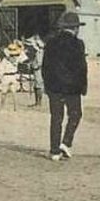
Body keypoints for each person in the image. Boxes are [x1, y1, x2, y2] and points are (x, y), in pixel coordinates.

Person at [42, 12, 88, 161]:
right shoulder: (78, 44)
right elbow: (82, 68)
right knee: (75, 114)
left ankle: (54, 151)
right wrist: (83, 86)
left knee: (56, 118)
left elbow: (45, 67)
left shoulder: (50, 43)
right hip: (72, 88)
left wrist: (47, 85)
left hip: (54, 87)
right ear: (75, 28)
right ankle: (66, 142)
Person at [0, 42, 24, 110]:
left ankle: (2, 107)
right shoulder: (17, 59)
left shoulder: (5, 60)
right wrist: (21, 47)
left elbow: (1, 69)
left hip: (6, 76)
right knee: (14, 93)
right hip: (14, 76)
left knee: (4, 93)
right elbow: (23, 57)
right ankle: (15, 107)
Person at [26, 34, 45, 107]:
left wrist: (35, 67)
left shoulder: (40, 52)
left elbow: (40, 63)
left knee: (39, 86)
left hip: (39, 70)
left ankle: (39, 102)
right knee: (36, 86)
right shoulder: (37, 52)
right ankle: (37, 101)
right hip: (36, 69)